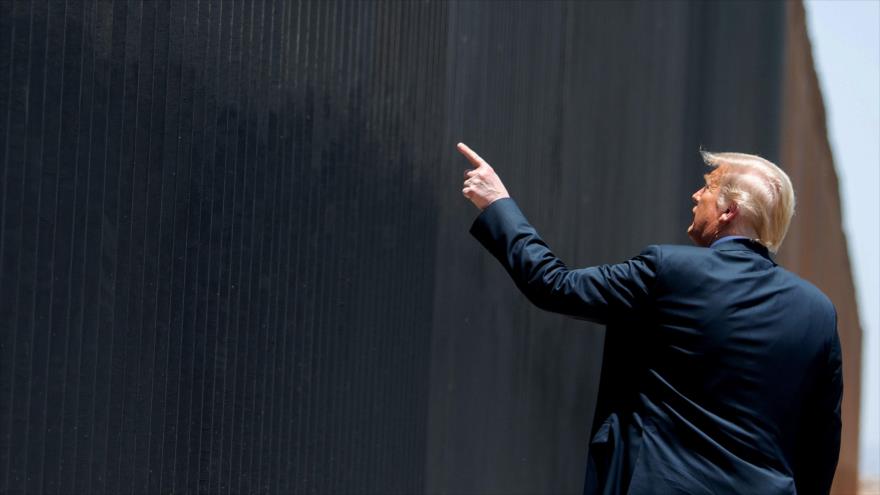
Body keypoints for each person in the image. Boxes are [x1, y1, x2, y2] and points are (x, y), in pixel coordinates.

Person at [457, 142, 842, 495]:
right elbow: (821, 446)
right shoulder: (818, 314)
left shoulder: (669, 270)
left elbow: (554, 284)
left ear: (729, 211)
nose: (696, 195)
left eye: (708, 187)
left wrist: (498, 204)